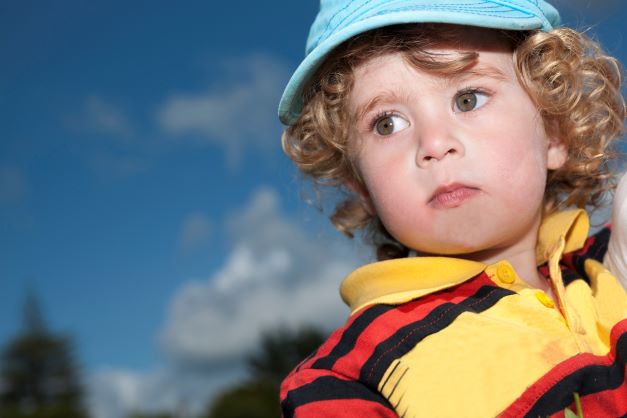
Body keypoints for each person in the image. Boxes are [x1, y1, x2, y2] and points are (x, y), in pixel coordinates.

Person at [277, 1, 627, 416]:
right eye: (387, 124)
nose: (434, 143)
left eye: (467, 99)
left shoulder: (606, 268)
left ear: (553, 131)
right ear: (361, 186)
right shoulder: (343, 379)